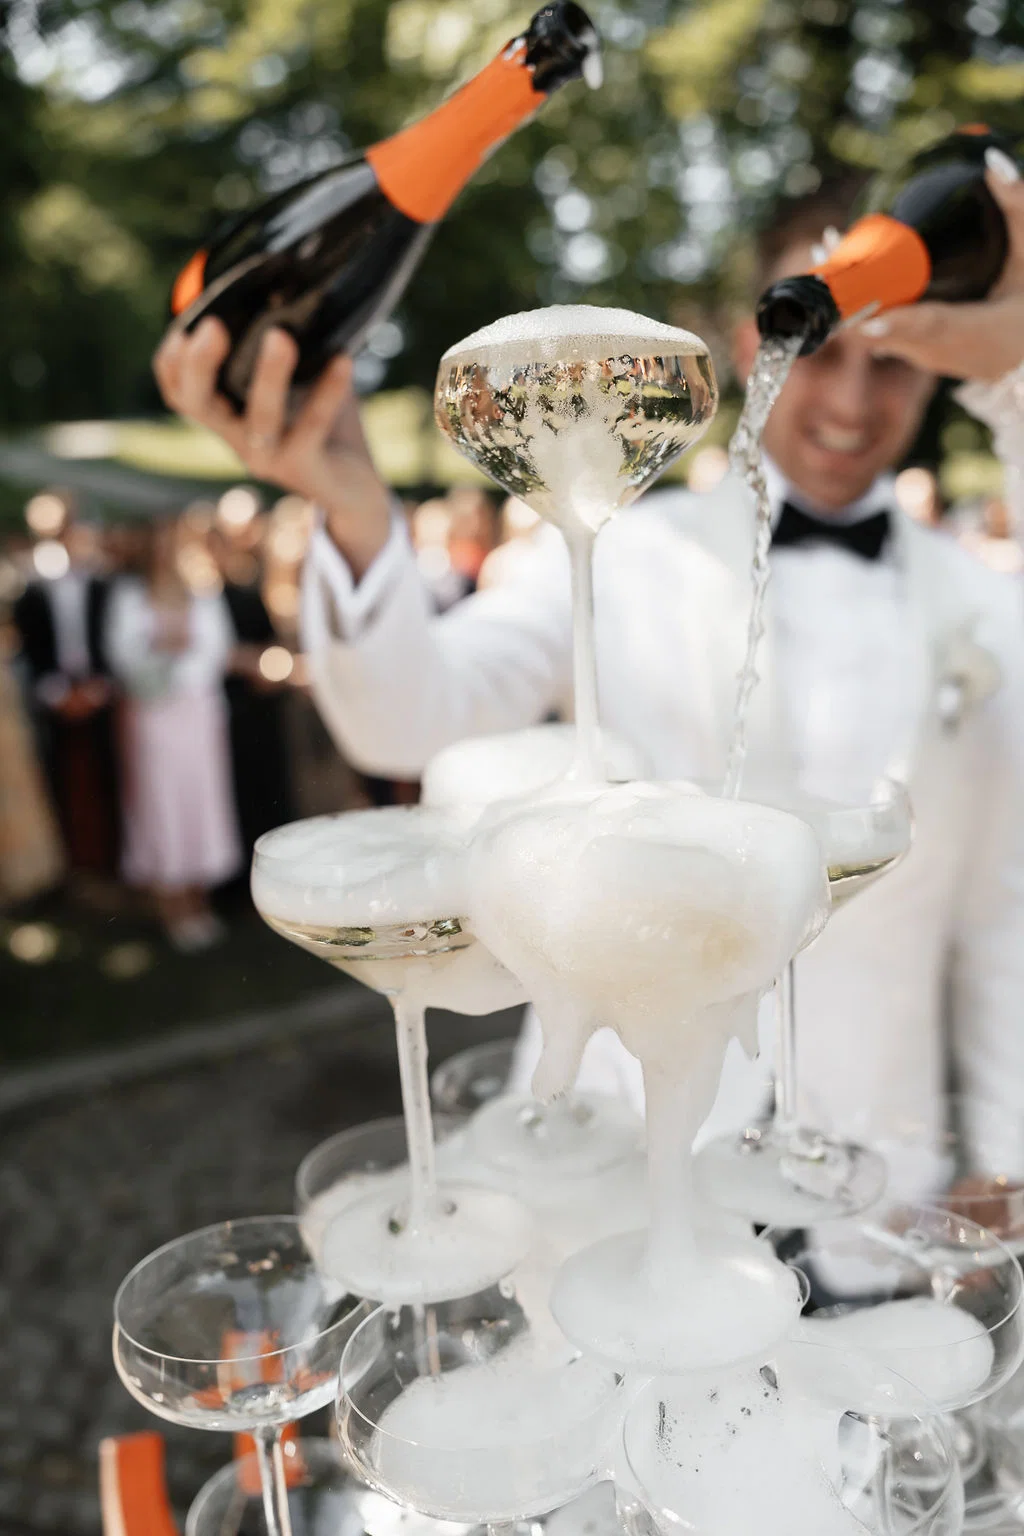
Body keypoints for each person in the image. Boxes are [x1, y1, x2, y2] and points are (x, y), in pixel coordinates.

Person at [153, 157, 1024, 1172]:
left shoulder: (988, 601)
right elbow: (404, 720)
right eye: (823, 354)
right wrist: (351, 508)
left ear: (937, 363)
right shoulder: (614, 543)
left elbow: (1004, 913)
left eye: (893, 362)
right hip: (614, 1141)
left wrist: (1004, 1156)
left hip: (877, 1155)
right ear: (756, 342)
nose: (852, 400)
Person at [105, 517, 241, 950]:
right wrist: (165, 653)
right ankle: (172, 904)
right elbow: (122, 656)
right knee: (161, 802)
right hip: (154, 716)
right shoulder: (129, 597)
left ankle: (200, 900)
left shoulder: (203, 596)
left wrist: (177, 655)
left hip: (199, 714)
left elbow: (217, 651)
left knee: (201, 800)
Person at [13, 496, 121, 881]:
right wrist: (57, 694)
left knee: (107, 779)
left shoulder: (104, 586)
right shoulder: (31, 589)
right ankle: (74, 865)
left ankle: (110, 861)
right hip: (55, 701)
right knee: (61, 782)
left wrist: (96, 690)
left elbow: (114, 644)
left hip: (99, 696)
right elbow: (30, 650)